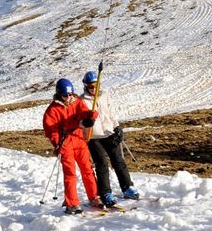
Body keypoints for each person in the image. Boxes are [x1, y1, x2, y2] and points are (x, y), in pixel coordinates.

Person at [80, 70, 140, 205]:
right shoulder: (82, 100)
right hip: (93, 136)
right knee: (102, 164)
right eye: (90, 87)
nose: (93, 89)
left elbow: (111, 112)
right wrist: (85, 122)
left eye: (96, 86)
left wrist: (117, 127)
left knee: (118, 160)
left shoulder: (105, 95)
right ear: (85, 86)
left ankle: (127, 187)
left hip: (108, 132)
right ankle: (106, 193)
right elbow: (80, 119)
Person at [42, 78, 102, 215]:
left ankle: (94, 197)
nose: (68, 98)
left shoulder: (76, 101)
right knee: (70, 174)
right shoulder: (52, 110)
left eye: (70, 94)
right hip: (65, 144)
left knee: (87, 169)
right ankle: (72, 203)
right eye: (65, 95)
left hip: (79, 140)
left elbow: (84, 112)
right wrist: (57, 145)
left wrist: (91, 116)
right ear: (59, 94)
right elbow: (51, 130)